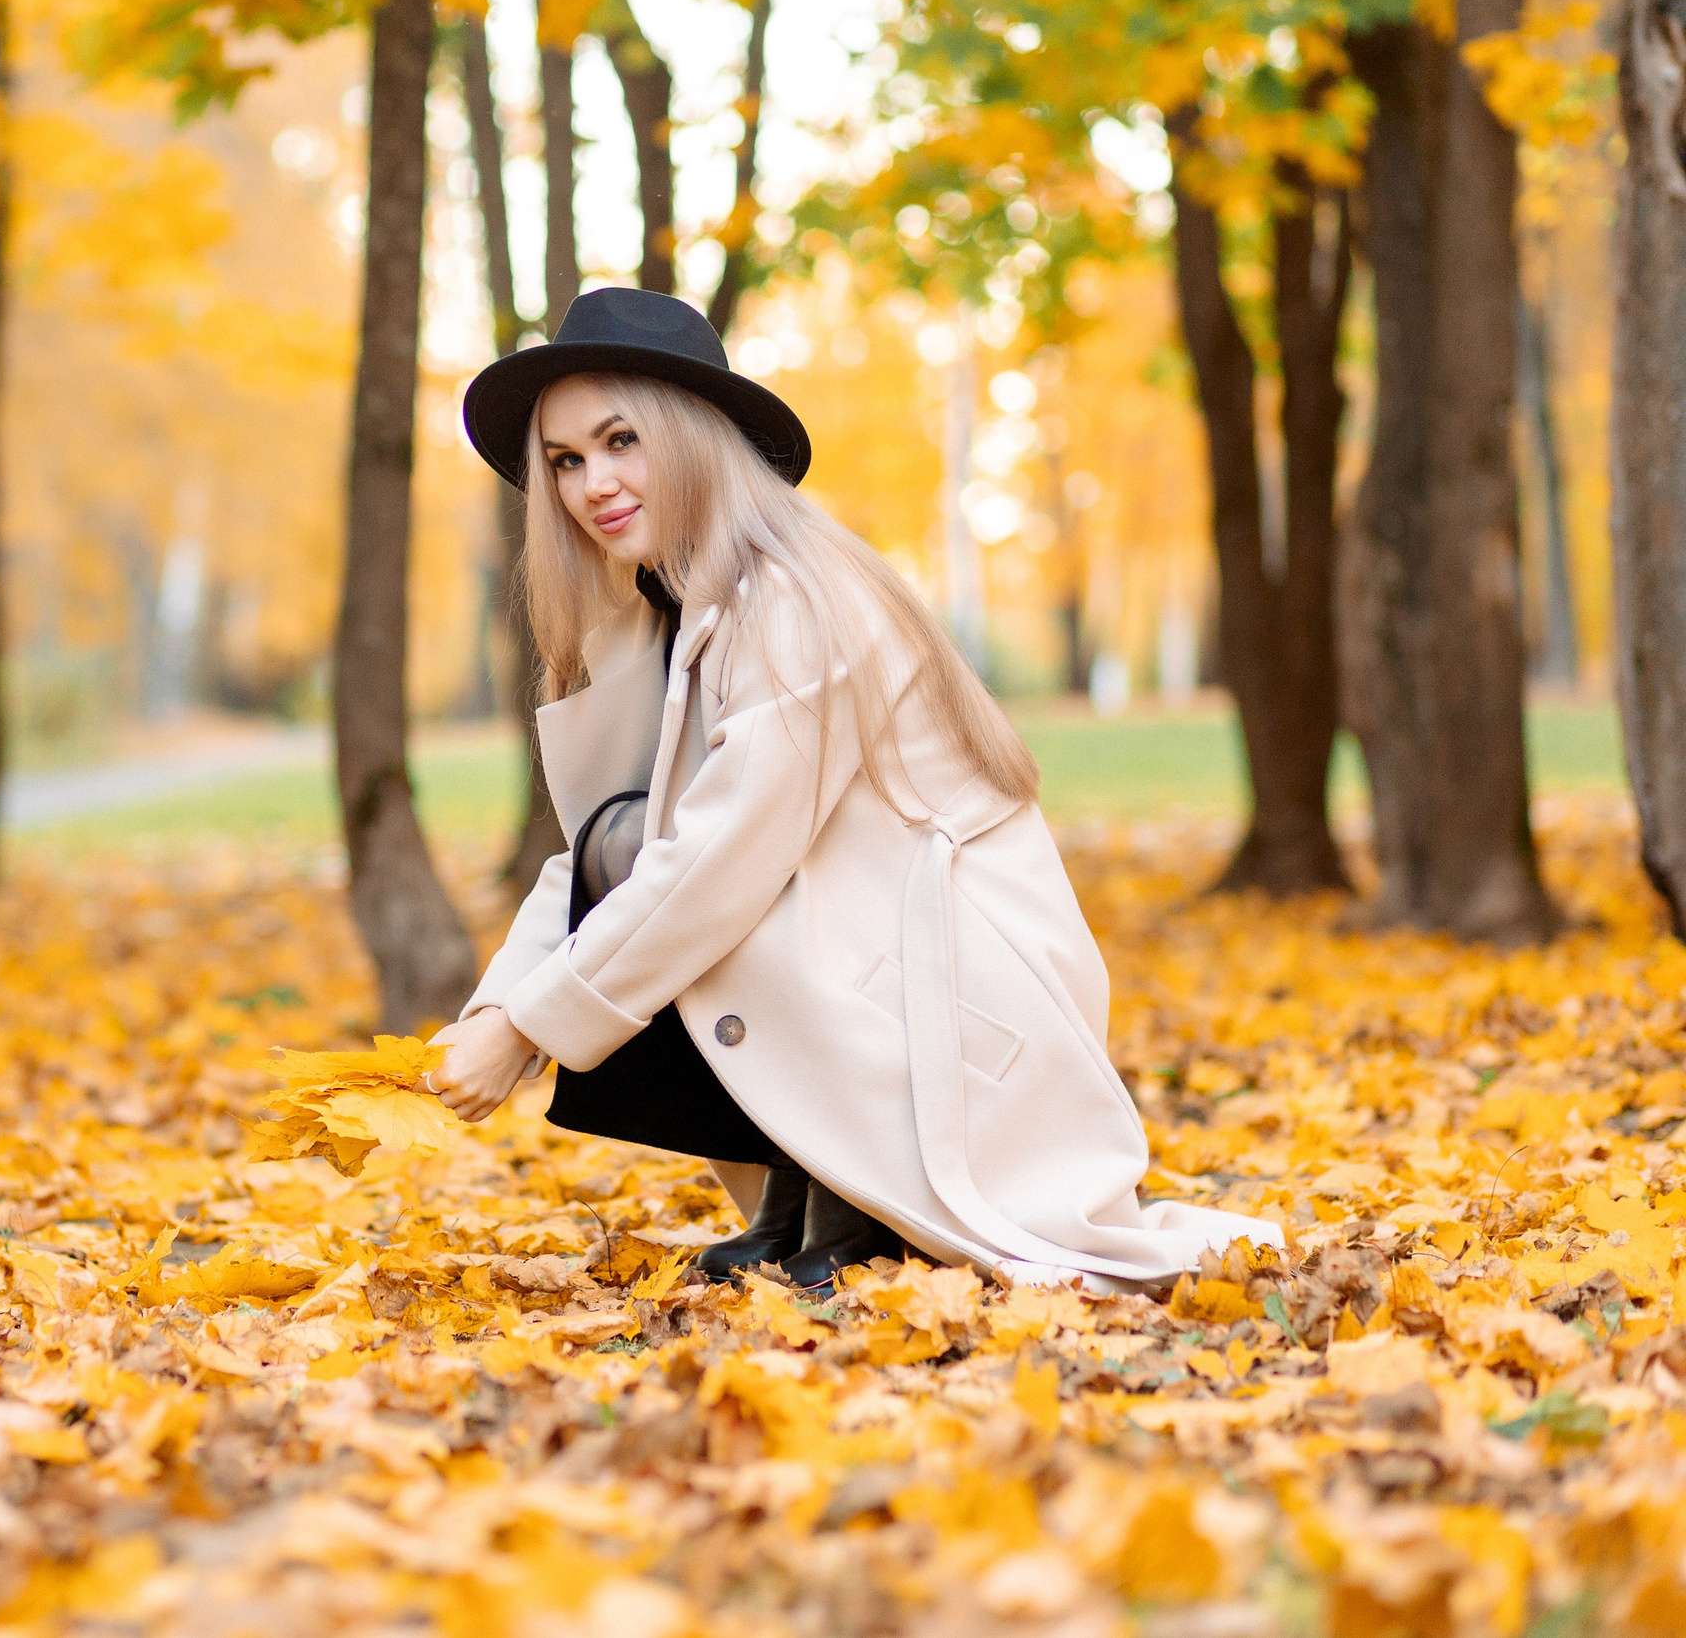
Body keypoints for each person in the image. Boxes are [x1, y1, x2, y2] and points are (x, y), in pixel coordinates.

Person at [424, 288, 1280, 1291]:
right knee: (629, 845)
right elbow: (600, 849)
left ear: (694, 438)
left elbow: (720, 858)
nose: (591, 483)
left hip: (956, 997)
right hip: (872, 973)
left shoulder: (792, 594)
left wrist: (531, 1025)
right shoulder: (682, 613)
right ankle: (805, 1191)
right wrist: (495, 1013)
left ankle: (861, 1205)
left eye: (621, 440)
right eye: (566, 460)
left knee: (707, 883)